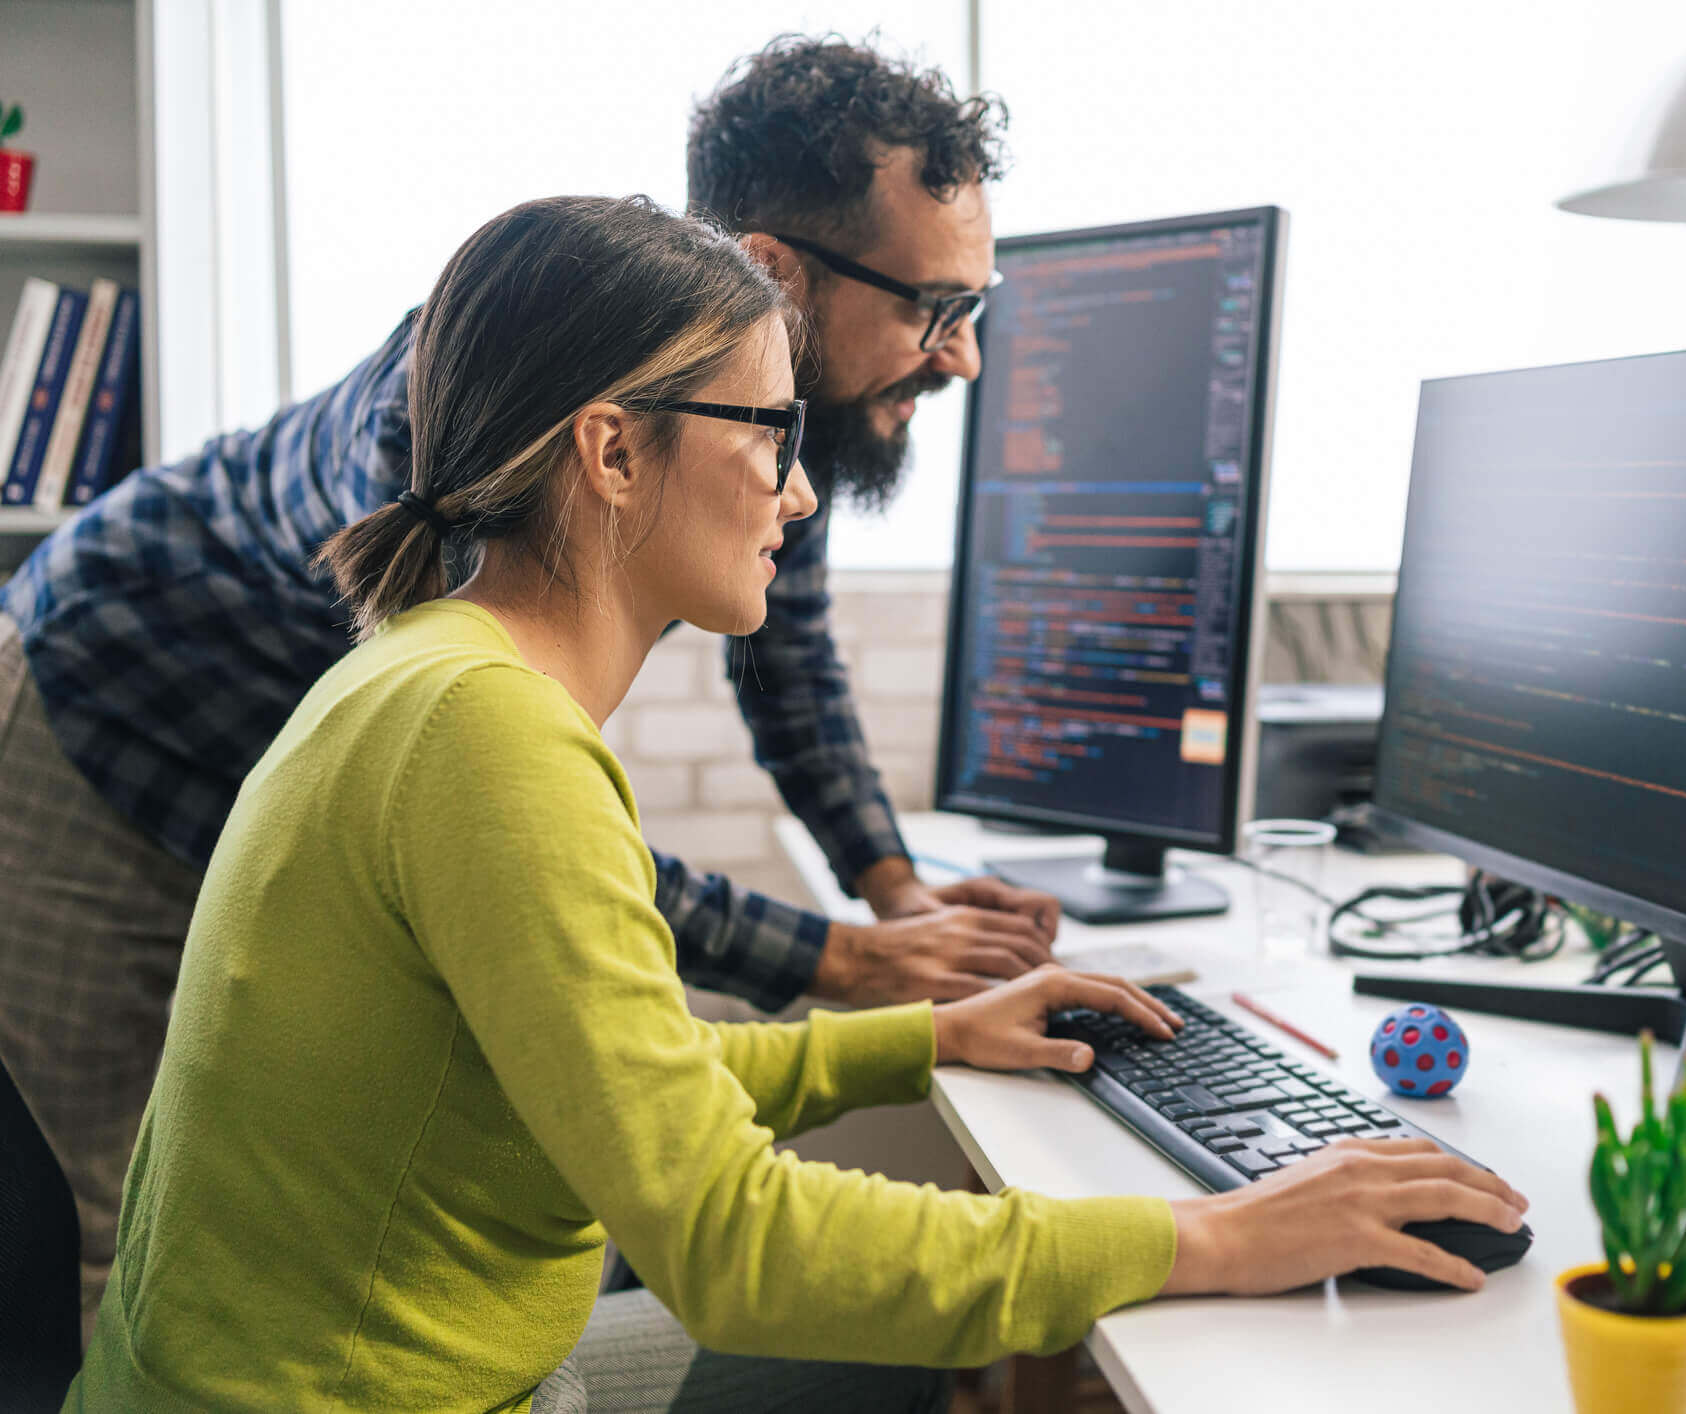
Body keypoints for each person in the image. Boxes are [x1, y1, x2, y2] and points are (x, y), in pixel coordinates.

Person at [64, 194, 1529, 1413]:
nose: (804, 492)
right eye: (769, 434)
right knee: (878, 1348)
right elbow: (727, 1243)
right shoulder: (487, 741)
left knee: (891, 1358)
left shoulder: (433, 673)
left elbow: (611, 1069)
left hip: (380, 1376)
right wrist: (1214, 1231)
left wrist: (922, 1039)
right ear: (613, 449)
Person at [0, 35, 1048, 1323]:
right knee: (126, 1255)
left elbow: (794, 669)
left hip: (275, 780)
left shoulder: (742, 418)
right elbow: (506, 816)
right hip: (97, 726)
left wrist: (896, 901)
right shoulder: (488, 434)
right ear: (777, 271)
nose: (961, 357)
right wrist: (832, 960)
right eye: (932, 308)